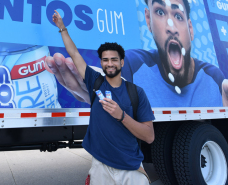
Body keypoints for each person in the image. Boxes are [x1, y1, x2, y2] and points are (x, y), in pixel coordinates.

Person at [46, 0, 228, 107]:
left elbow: (223, 107)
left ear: (191, 28)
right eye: (160, 12)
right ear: (148, 20)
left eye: (177, 15)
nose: (170, 26)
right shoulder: (133, 63)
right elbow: (107, 81)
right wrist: (90, 84)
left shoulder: (212, 76)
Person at [51, 10, 154, 184]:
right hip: (100, 167)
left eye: (114, 59)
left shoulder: (137, 92)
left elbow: (149, 136)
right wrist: (62, 28)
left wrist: (121, 115)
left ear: (122, 62)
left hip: (131, 169)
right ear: (101, 63)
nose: (110, 63)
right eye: (105, 60)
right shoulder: (95, 82)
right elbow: (74, 54)